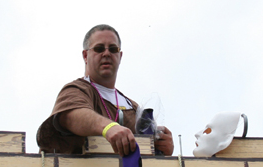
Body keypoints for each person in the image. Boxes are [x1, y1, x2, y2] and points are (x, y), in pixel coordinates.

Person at [36, 24, 174, 156]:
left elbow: (145, 154)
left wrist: (162, 148)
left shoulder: (133, 108)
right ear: (85, 56)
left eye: (113, 49)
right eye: (99, 48)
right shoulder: (76, 89)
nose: (106, 53)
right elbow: (70, 115)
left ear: (120, 56)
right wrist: (108, 127)